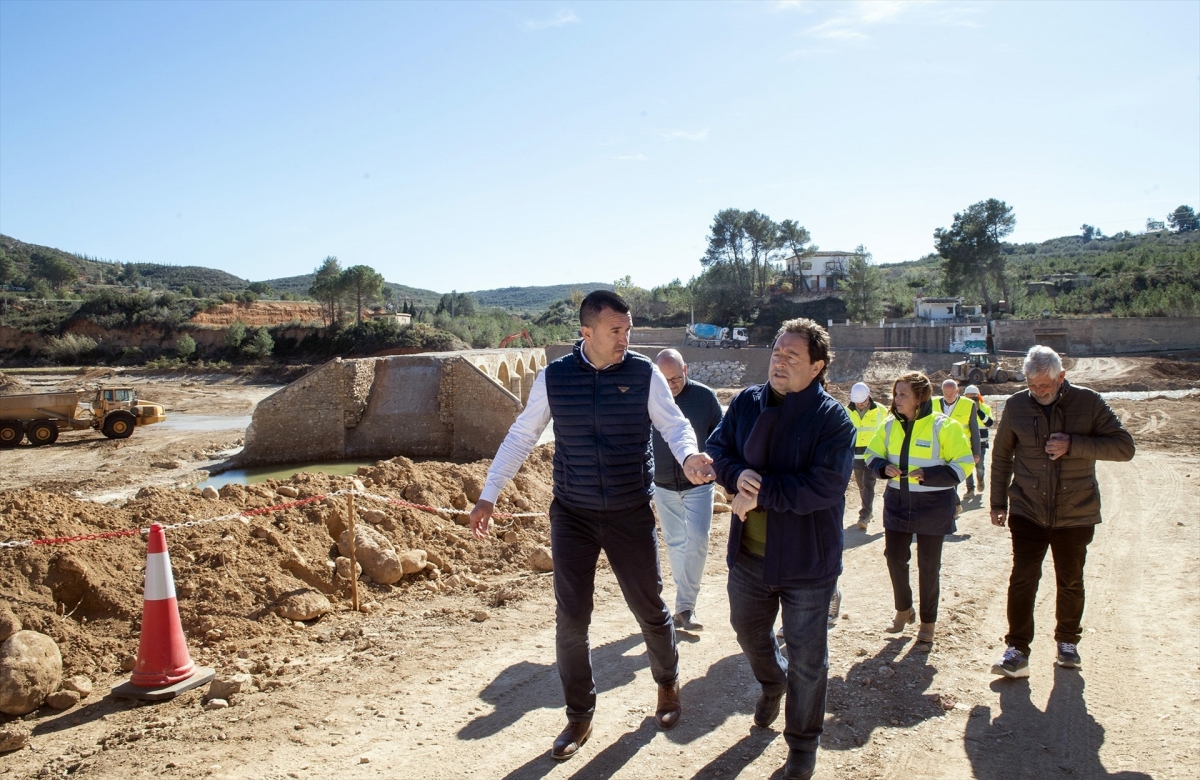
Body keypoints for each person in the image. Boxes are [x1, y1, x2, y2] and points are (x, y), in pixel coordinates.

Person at [469, 291, 717, 761]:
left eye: (629, 330)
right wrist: (489, 494)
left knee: (649, 607)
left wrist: (689, 457)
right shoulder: (555, 377)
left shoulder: (644, 372)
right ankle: (579, 715)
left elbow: (675, 424)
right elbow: (522, 435)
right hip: (573, 515)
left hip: (628, 511)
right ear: (586, 333)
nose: (627, 339)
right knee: (572, 619)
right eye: (616, 331)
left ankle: (667, 684)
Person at [707, 318, 855, 780]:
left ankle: (802, 746)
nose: (780, 362)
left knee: (809, 660)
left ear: (817, 367)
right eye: (777, 353)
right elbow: (718, 449)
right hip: (750, 558)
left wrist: (763, 491)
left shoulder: (833, 420)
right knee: (748, 632)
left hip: (807, 565)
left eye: (793, 357)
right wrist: (735, 477)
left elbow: (826, 487)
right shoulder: (748, 402)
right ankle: (773, 681)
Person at [989, 345, 1134, 678]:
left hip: (1076, 511)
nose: (1039, 392)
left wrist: (1074, 444)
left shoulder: (1089, 402)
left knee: (1070, 581)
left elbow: (1124, 447)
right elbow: (1001, 458)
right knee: (1023, 578)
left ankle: (1067, 643)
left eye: (1046, 385)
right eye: (1033, 385)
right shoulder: (1015, 406)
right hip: (1027, 508)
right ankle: (1017, 651)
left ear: (1062, 377)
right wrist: (998, 503)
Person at [865, 371, 974, 646]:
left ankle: (927, 622)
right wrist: (881, 467)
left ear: (919, 398)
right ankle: (904, 609)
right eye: (895, 394)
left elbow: (963, 464)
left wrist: (930, 474)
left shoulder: (944, 426)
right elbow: (872, 454)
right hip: (898, 503)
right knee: (894, 558)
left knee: (928, 566)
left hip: (934, 506)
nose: (896, 399)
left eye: (903, 395)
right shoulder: (889, 425)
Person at [651, 349, 724, 633]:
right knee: (676, 543)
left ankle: (685, 607)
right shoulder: (651, 398)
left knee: (698, 540)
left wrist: (714, 465)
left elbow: (721, 436)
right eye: (664, 379)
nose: (670, 385)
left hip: (700, 484)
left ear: (686, 370)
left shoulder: (705, 398)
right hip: (663, 485)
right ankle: (685, 607)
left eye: (675, 378)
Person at [932, 379, 981, 504]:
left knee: (952, 478)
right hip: (938, 449)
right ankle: (952, 504)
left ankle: (954, 504)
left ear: (958, 391)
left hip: (959, 449)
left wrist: (976, 452)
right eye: (946, 393)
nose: (949, 396)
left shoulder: (969, 404)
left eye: (951, 393)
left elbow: (974, 430)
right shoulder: (932, 403)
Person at [847, 381, 886, 531]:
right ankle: (867, 510)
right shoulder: (847, 411)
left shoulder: (881, 411)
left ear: (868, 397)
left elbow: (886, 432)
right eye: (857, 402)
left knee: (868, 483)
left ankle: (865, 514)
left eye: (862, 402)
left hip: (873, 453)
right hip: (855, 454)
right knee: (861, 485)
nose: (860, 405)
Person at [962, 384, 994, 498]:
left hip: (981, 443)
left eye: (974, 398)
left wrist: (979, 411)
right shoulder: (962, 409)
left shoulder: (984, 408)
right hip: (966, 443)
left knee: (979, 466)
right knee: (967, 467)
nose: (971, 401)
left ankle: (980, 479)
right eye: (968, 398)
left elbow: (989, 423)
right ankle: (970, 489)